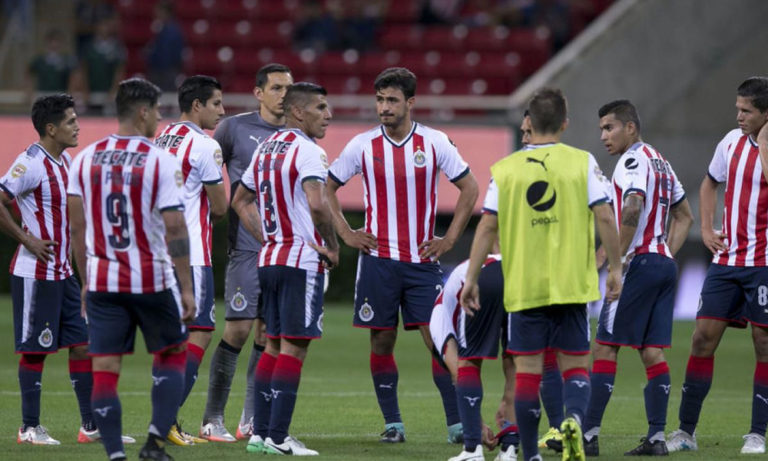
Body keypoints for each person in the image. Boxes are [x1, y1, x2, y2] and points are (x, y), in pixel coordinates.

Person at [461, 87, 623, 461]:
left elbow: (487, 226)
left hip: (525, 286)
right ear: (565, 123)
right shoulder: (582, 163)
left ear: (529, 122)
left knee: (529, 371)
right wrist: (614, 267)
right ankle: (575, 421)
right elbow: (604, 216)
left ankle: (530, 456)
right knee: (576, 365)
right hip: (572, 284)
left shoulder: (506, 169)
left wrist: (471, 277)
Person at [327, 66, 479, 443]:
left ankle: (457, 425)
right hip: (378, 263)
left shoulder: (434, 142)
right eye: (379, 100)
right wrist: (346, 232)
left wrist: (449, 240)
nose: (384, 107)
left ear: (410, 102)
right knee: (381, 341)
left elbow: (471, 189)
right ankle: (393, 425)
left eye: (392, 100)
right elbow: (326, 188)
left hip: (422, 263)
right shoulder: (362, 145)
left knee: (437, 338)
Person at [67, 77, 195, 461]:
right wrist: (186, 287)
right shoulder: (159, 160)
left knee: (105, 368)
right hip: (151, 278)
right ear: (142, 112)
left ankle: (114, 455)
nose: (159, 118)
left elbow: (77, 228)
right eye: (156, 110)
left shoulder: (85, 158)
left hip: (104, 280)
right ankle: (154, 444)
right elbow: (174, 227)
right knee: (173, 353)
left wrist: (86, 281)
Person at [0, 94, 132, 447]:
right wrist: (26, 239)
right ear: (51, 128)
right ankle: (29, 428)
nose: (78, 126)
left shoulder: (65, 161)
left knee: (83, 345)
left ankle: (90, 425)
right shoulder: (29, 164)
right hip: (35, 272)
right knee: (35, 351)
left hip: (63, 274)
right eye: (71, 121)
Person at [230, 82, 339, 456]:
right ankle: (278, 436)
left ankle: (261, 434)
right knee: (294, 348)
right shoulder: (310, 151)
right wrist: (332, 245)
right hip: (299, 262)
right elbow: (319, 205)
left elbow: (240, 200)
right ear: (298, 112)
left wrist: (267, 235)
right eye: (321, 107)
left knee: (272, 345)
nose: (328, 115)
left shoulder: (265, 150)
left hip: (270, 259)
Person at [580, 100, 694, 456]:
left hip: (639, 266)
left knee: (605, 346)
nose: (603, 136)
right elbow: (685, 215)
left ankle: (587, 434)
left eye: (609, 127)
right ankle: (657, 438)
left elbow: (631, 206)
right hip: (662, 264)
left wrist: (615, 260)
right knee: (651, 351)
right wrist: (665, 253)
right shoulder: (661, 161)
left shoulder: (631, 161)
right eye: (601, 129)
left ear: (631, 127)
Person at [667, 76, 768, 455]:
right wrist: (707, 228)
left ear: (766, 114)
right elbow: (710, 183)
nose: (739, 116)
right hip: (727, 261)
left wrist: (764, 144)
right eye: (737, 109)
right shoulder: (729, 142)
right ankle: (685, 432)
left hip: (763, 261)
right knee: (702, 338)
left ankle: (757, 434)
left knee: (764, 343)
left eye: (747, 111)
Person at [201, 63, 294, 441]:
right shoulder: (233, 128)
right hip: (245, 246)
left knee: (267, 333)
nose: (284, 94)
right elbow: (206, 164)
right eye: (276, 87)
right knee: (238, 329)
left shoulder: (297, 134)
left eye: (288, 88)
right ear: (259, 93)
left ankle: (251, 419)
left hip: (282, 250)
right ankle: (212, 418)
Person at [154, 75, 228, 445]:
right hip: (192, 255)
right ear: (197, 105)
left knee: (171, 338)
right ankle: (165, 420)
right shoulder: (204, 145)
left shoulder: (160, 138)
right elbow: (220, 206)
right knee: (199, 331)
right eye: (216, 103)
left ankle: (165, 420)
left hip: (158, 252)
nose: (222, 110)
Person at [430, 253, 519, 461]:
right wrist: (507, 401)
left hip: (481, 278)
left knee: (468, 363)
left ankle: (472, 450)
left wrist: (476, 425)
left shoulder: (438, 317)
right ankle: (511, 449)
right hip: (520, 274)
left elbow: (458, 372)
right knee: (516, 361)